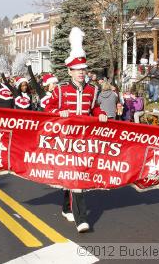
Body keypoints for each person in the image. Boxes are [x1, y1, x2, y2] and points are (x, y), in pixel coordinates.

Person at [45, 27, 107, 233]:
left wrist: (100, 114)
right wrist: (58, 112)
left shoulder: (93, 89)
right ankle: (81, 219)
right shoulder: (61, 90)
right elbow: (48, 109)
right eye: (77, 69)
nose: (81, 72)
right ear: (70, 71)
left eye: (83, 69)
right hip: (65, 140)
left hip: (84, 140)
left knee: (75, 176)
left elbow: (94, 107)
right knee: (75, 178)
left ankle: (66, 206)